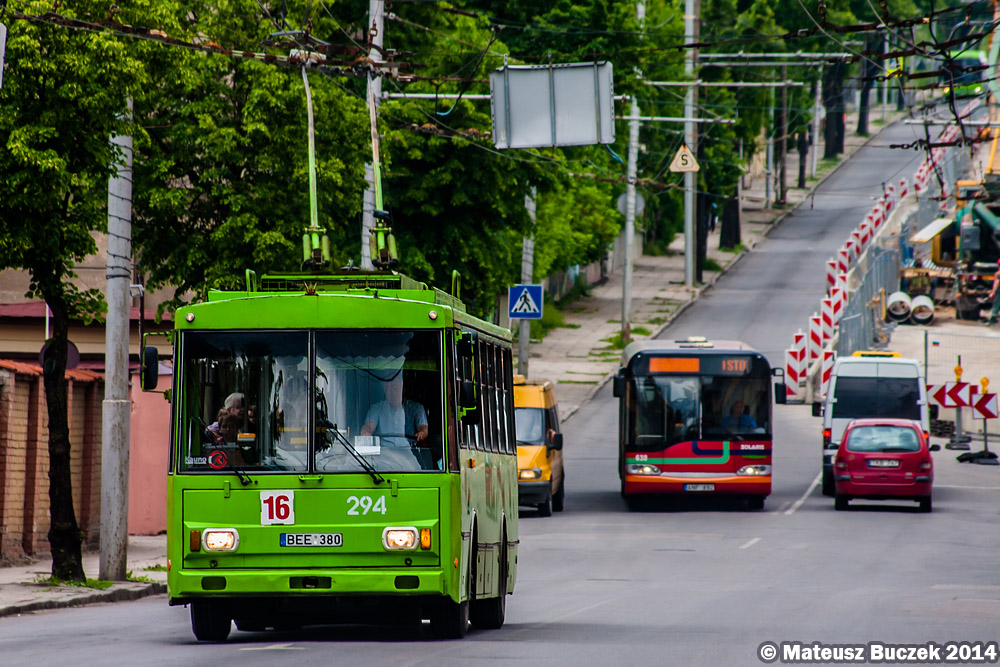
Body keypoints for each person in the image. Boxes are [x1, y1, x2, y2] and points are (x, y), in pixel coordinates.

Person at [360, 374, 428, 447]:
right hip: (384, 452)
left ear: (403, 390)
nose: (393, 393)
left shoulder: (416, 408)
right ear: (385, 391)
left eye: (396, 389)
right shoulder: (377, 408)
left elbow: (423, 428)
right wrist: (366, 432)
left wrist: (421, 433)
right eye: (390, 389)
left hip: (408, 452)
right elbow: (368, 426)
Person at [988, 258, 1000, 325]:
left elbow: (996, 283)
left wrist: (992, 292)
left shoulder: (998, 274)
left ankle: (992, 320)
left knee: (996, 304)